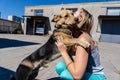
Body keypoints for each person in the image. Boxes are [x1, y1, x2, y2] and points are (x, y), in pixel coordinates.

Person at [55, 8, 106, 80]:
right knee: (60, 67)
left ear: (79, 18)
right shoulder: (75, 36)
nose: (70, 14)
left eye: (73, 13)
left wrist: (63, 51)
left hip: (96, 76)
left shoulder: (83, 39)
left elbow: (77, 76)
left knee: (65, 75)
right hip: (85, 71)